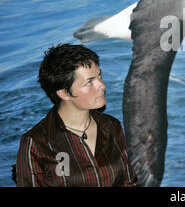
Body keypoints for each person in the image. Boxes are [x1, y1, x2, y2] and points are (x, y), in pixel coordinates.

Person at [16, 43, 139, 187]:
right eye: (90, 82)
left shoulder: (112, 126)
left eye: (99, 76)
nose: (102, 85)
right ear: (64, 93)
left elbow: (130, 182)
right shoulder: (35, 143)